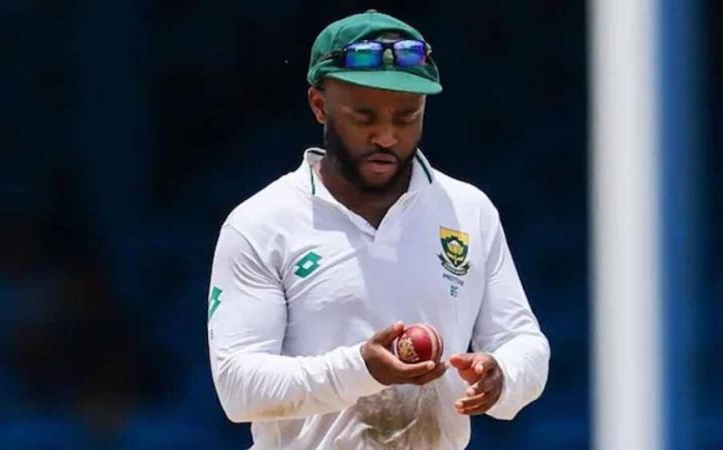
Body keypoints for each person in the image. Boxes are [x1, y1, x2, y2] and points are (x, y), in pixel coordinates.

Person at [207, 9, 549, 449]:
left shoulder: (469, 211)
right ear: (319, 105)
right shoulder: (261, 222)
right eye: (364, 117)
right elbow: (238, 389)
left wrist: (504, 376)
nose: (386, 136)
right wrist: (362, 369)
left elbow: (522, 342)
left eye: (406, 117)